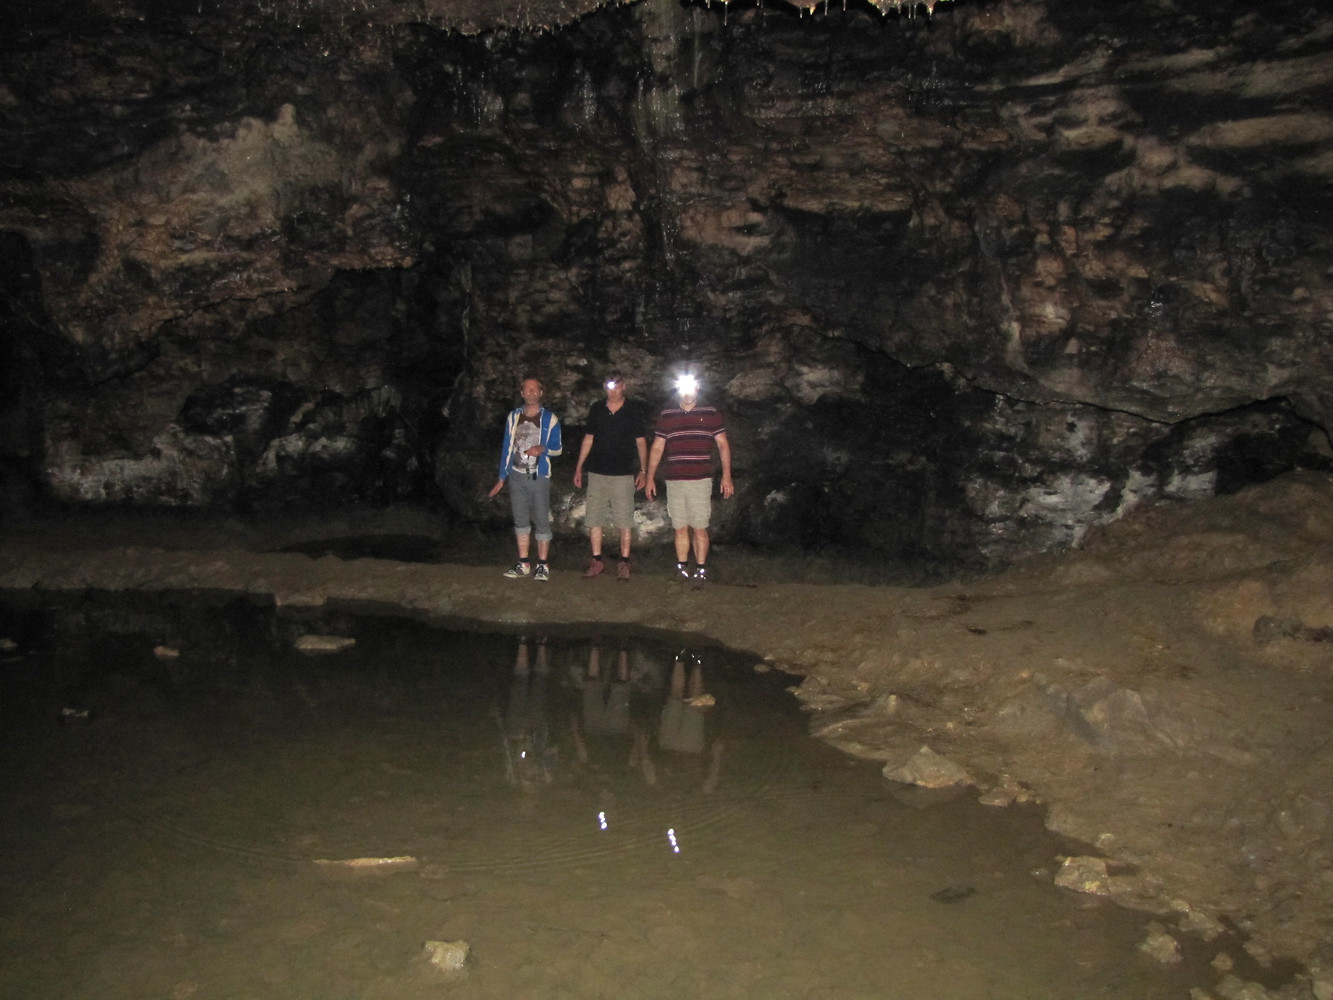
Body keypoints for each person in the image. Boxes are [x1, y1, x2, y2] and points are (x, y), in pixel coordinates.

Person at [644, 374, 733, 588]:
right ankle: (682, 568)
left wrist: (727, 475)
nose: (687, 392)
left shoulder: (711, 413)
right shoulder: (667, 414)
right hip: (675, 480)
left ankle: (701, 570)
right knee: (680, 527)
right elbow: (657, 447)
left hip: (700, 479)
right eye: (683, 388)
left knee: (700, 527)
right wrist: (649, 477)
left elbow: (722, 445)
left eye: (691, 388)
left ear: (697, 388)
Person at [571, 372, 648, 581]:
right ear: (604, 387)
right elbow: (588, 438)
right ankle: (597, 561)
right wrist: (579, 467)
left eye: (616, 385)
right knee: (594, 518)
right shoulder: (597, 409)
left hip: (623, 473)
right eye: (608, 386)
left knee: (624, 519)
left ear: (624, 386)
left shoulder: (633, 410)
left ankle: (624, 562)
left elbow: (641, 441)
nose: (612, 390)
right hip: (597, 472)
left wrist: (644, 470)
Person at [488, 376, 563, 581]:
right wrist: (502, 478)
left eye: (534, 389)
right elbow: (507, 448)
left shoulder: (550, 419)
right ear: (521, 393)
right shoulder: (513, 417)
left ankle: (542, 565)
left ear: (540, 393)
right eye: (526, 389)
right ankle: (523, 563)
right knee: (520, 520)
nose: (530, 392)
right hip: (516, 475)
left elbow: (558, 449)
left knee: (541, 519)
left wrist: (543, 449)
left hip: (538, 476)